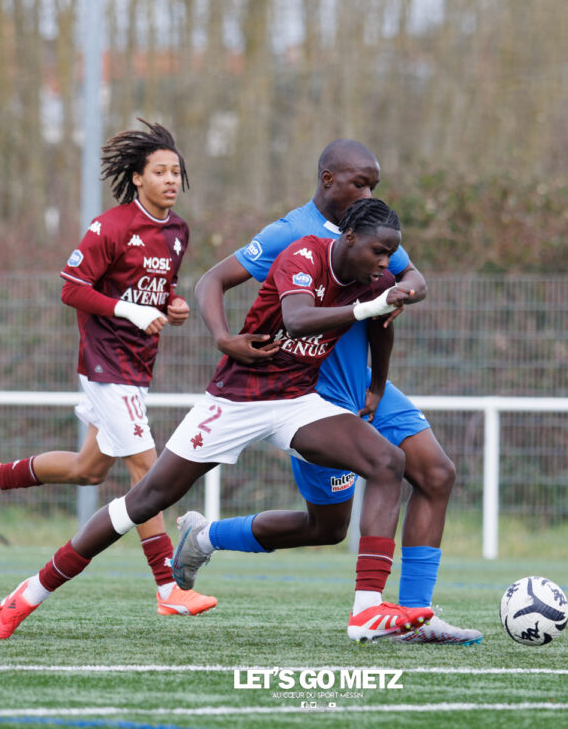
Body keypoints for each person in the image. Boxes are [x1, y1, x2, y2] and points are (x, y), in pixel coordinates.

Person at [0, 198, 436, 643]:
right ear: (349, 237)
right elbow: (297, 320)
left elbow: (383, 325)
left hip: (299, 399)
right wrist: (367, 309)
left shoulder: (369, 276)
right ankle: (29, 593)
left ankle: (366, 610)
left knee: (387, 462)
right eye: (379, 251)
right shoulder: (303, 254)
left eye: (389, 254)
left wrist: (378, 386)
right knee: (144, 500)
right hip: (238, 400)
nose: (385, 263)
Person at [171, 139, 482, 645]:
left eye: (374, 184)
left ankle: (415, 615)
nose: (368, 191)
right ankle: (204, 537)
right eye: (360, 182)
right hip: (312, 397)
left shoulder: (370, 230)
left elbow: (411, 275)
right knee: (327, 528)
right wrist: (224, 337)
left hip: (368, 389)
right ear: (327, 179)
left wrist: (408, 292)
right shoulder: (291, 234)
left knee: (437, 473)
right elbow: (212, 280)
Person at [0, 120, 217, 617]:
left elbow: (159, 290)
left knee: (88, 469)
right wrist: (128, 310)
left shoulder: (177, 232)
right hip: (105, 364)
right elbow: (72, 288)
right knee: (149, 469)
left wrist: (173, 305)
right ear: (137, 178)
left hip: (136, 367)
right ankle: (168, 588)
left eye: (176, 172)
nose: (170, 180)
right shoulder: (110, 226)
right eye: (159, 171)